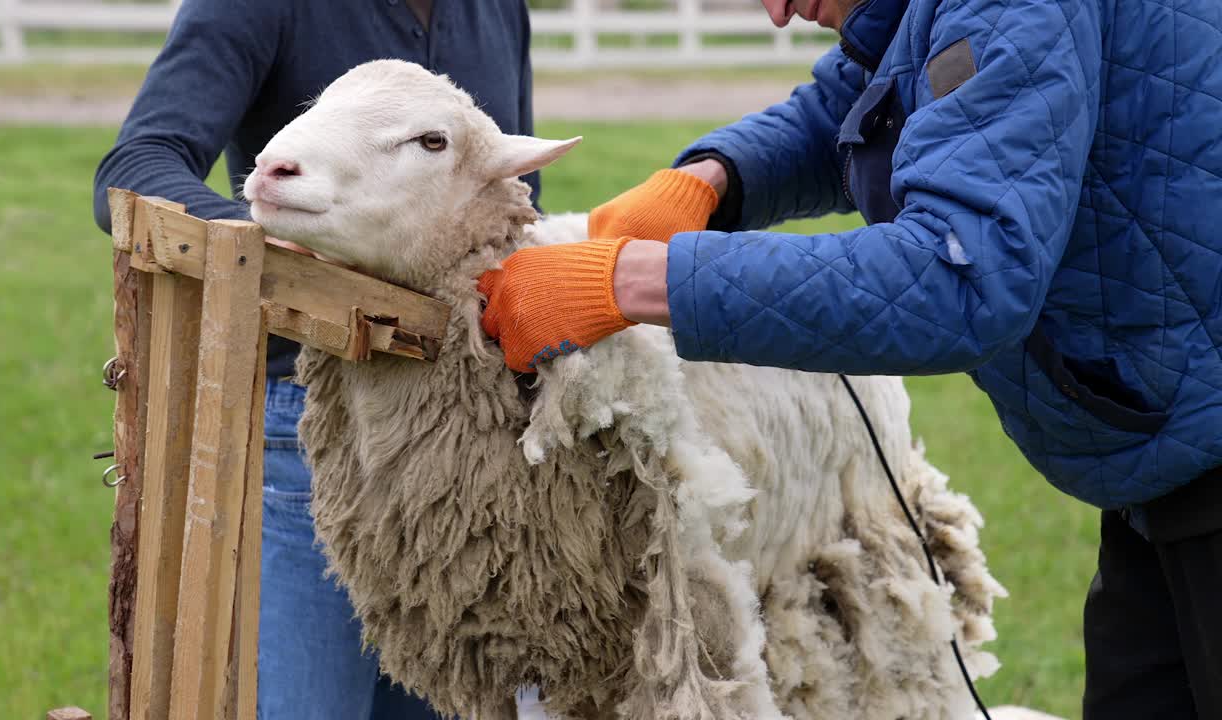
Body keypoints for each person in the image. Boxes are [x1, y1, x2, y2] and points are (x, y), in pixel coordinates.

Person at [478, 0, 1222, 718]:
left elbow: (955, 275)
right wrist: (713, 178)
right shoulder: (926, 13)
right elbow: (873, 104)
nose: (775, 13)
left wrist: (634, 281)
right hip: (1166, 457)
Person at [91, 1, 536, 717]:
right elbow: (137, 163)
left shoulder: (495, 9)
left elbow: (503, 194)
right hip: (312, 430)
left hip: (462, 458)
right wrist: (258, 242)